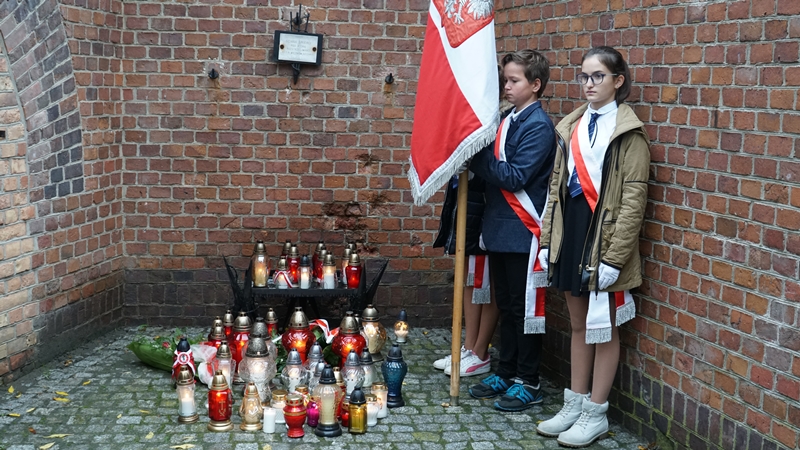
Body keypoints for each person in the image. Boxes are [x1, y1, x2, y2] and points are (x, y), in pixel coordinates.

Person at [535, 46, 650, 447]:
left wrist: (615, 258)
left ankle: (596, 412)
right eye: (583, 76)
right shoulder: (572, 125)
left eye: (597, 76)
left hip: (604, 238)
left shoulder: (629, 133)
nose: (588, 83)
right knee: (579, 324)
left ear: (618, 81)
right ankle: (575, 402)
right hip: (572, 229)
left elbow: (634, 200)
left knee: (604, 328)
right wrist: (548, 239)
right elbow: (555, 188)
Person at [466, 49, 556, 412]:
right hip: (500, 229)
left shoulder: (539, 126)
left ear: (535, 85)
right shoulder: (508, 119)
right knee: (505, 305)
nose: (506, 86)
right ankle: (506, 371)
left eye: (514, 80)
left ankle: (528, 380)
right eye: (505, 79)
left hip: (522, 231)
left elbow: (516, 176)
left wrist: (476, 155)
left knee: (524, 310)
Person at [431, 66, 510, 378]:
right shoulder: (470, 115)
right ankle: (467, 346)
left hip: (487, 205)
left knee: (484, 283)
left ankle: (480, 350)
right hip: (467, 202)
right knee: (468, 278)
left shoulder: (502, 119)